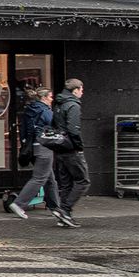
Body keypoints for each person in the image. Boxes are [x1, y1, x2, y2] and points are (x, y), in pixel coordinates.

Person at [2, 86, 60, 221]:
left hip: (32, 148)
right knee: (39, 178)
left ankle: (56, 208)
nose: (52, 99)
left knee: (50, 179)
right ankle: (18, 204)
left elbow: (23, 130)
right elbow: (56, 125)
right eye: (51, 97)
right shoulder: (45, 111)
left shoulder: (29, 110)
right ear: (44, 97)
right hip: (43, 148)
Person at [50, 78, 89, 228]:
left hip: (60, 148)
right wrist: (78, 146)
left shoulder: (59, 104)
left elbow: (54, 124)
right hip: (71, 149)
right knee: (82, 180)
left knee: (66, 183)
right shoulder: (73, 105)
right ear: (75, 91)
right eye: (81, 89)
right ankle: (65, 210)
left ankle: (63, 216)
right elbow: (74, 129)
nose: (82, 92)